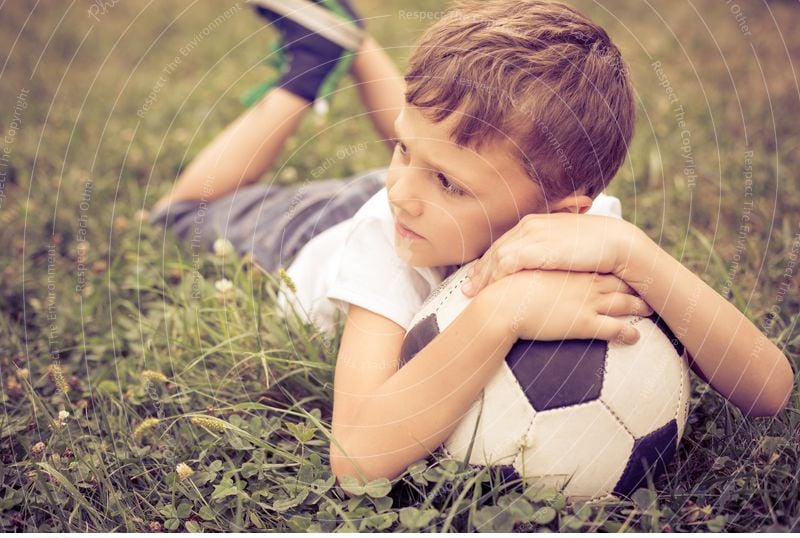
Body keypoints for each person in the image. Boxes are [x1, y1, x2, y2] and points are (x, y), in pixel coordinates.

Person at [149, 0, 794, 487]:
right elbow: (356, 456)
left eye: (450, 181)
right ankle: (311, 65)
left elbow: (770, 389)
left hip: (439, 217)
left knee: (429, 162)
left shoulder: (588, 234)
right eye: (403, 143)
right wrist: (499, 311)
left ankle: (353, 46)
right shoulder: (385, 234)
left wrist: (633, 253)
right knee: (181, 216)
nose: (403, 187)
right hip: (311, 238)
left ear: (561, 210)